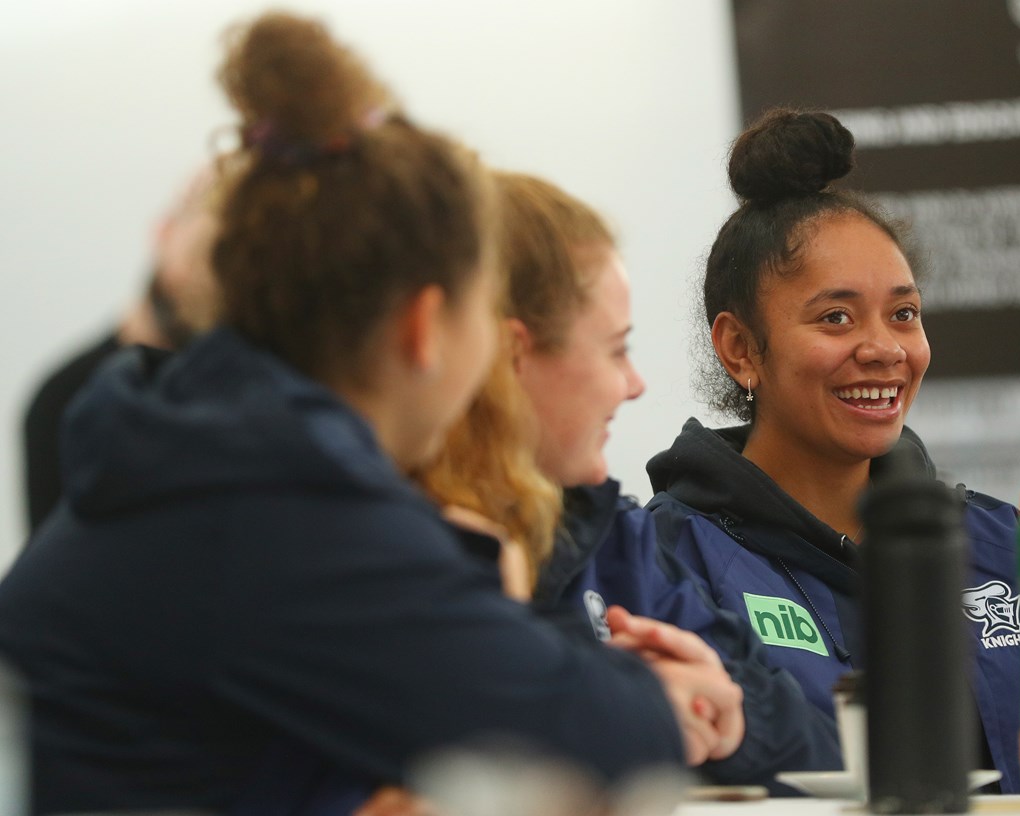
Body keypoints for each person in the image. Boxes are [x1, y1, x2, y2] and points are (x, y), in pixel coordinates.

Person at [0, 13, 741, 815]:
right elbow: (594, 737)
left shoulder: (191, 449)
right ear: (424, 327)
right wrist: (656, 696)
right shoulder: (289, 505)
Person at [644, 107, 1020, 793]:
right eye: (836, 317)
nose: (884, 349)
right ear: (740, 348)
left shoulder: (1004, 545)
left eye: (903, 314)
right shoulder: (667, 564)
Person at [416, 171, 837, 788]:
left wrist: (735, 722)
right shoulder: (378, 542)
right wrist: (638, 707)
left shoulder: (613, 538)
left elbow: (821, 752)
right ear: (511, 358)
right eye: (616, 350)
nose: (634, 385)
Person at [21, 166, 220, 533]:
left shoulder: (250, 393)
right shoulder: (65, 397)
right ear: (165, 232)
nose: (207, 284)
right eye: (202, 253)